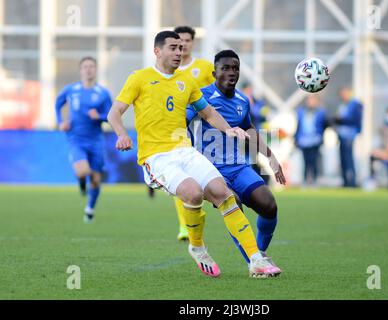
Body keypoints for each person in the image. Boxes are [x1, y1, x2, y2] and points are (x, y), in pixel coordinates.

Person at [107, 31, 281, 278]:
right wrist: (121, 134)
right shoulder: (139, 78)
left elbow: (209, 113)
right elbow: (114, 113)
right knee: (193, 192)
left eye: (181, 48)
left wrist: (229, 129)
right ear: (157, 51)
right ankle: (197, 246)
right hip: (157, 157)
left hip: (186, 152)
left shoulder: (186, 81)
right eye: (173, 48)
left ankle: (256, 260)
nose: (179, 52)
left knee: (224, 194)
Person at [186, 49, 286, 266]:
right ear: (214, 73)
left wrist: (271, 156)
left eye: (235, 68)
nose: (232, 73)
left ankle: (258, 253)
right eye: (225, 68)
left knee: (269, 206)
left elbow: (249, 129)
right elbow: (180, 123)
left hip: (239, 167)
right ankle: (255, 261)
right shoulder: (200, 97)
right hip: (211, 171)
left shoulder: (243, 100)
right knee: (234, 204)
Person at [170, 26, 216, 242]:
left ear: (192, 43)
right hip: (178, 127)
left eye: (188, 41)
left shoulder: (205, 68)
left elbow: (215, 94)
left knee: (204, 173)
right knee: (179, 173)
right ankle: (183, 225)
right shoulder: (170, 70)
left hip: (204, 128)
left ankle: (207, 204)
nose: (184, 45)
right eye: (180, 41)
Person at [55, 57, 112, 224]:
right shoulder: (71, 90)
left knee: (95, 179)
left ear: (95, 70)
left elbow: (111, 115)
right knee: (82, 171)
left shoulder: (102, 93)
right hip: (76, 139)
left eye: (91, 66)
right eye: (85, 66)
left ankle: (89, 209)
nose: (88, 69)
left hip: (96, 141)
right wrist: (60, 122)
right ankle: (81, 182)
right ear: (81, 70)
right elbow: (58, 104)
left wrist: (100, 116)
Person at [294, 95, 328, 186]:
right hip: (304, 140)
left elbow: (324, 125)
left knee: (314, 161)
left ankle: (315, 180)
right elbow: (298, 126)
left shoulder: (321, 112)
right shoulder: (301, 112)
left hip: (315, 140)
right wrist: (296, 139)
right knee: (305, 161)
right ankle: (305, 180)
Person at [333, 87, 363, 187]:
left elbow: (353, 119)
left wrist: (341, 120)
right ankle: (345, 181)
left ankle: (352, 181)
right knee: (343, 159)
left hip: (349, 135)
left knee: (349, 158)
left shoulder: (355, 104)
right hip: (342, 134)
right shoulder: (342, 105)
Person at [366, 107, 388, 189]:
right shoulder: (383, 126)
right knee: (373, 156)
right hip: (385, 151)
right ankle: (372, 180)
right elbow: (383, 141)